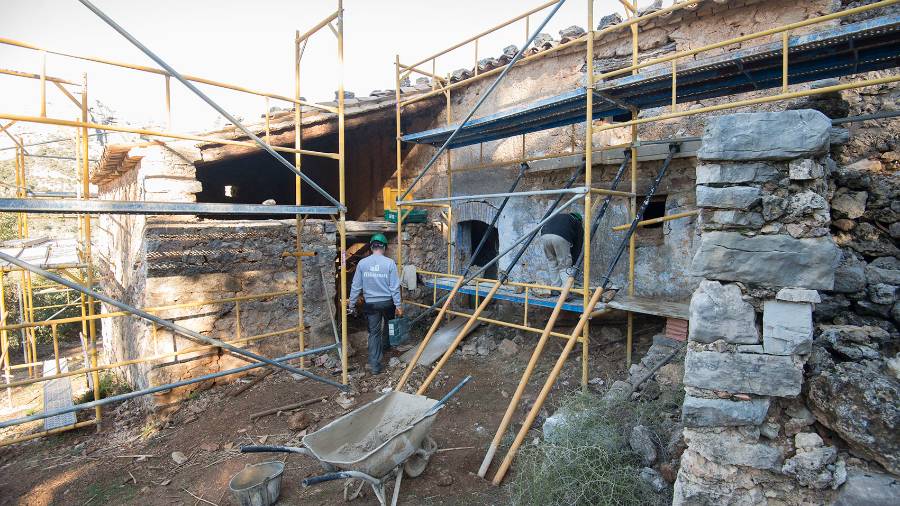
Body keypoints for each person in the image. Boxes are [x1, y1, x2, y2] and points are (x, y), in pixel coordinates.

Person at [348, 233, 402, 374]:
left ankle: (375, 365)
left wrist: (351, 304)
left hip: (371, 304)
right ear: (383, 247)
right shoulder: (389, 263)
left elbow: (356, 286)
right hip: (387, 302)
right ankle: (386, 346)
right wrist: (398, 305)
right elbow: (394, 287)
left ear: (371, 247)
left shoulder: (362, 263)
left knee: (374, 333)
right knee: (389, 324)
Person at [540, 212, 583, 291]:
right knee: (565, 265)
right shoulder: (577, 223)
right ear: (580, 220)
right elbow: (578, 245)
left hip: (544, 236)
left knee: (552, 262)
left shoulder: (558, 216)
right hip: (560, 237)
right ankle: (566, 292)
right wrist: (573, 262)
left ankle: (555, 289)